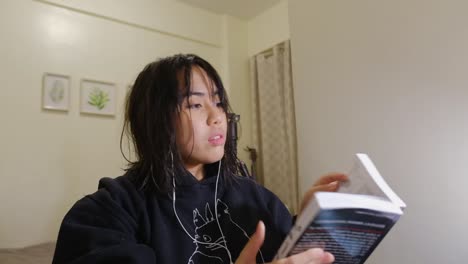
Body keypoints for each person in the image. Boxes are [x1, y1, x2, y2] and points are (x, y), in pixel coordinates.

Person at [52, 54, 348, 264]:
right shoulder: (107, 213)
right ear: (155, 119)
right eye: (195, 104)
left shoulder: (255, 197)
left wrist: (310, 225)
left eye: (218, 102)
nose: (217, 116)